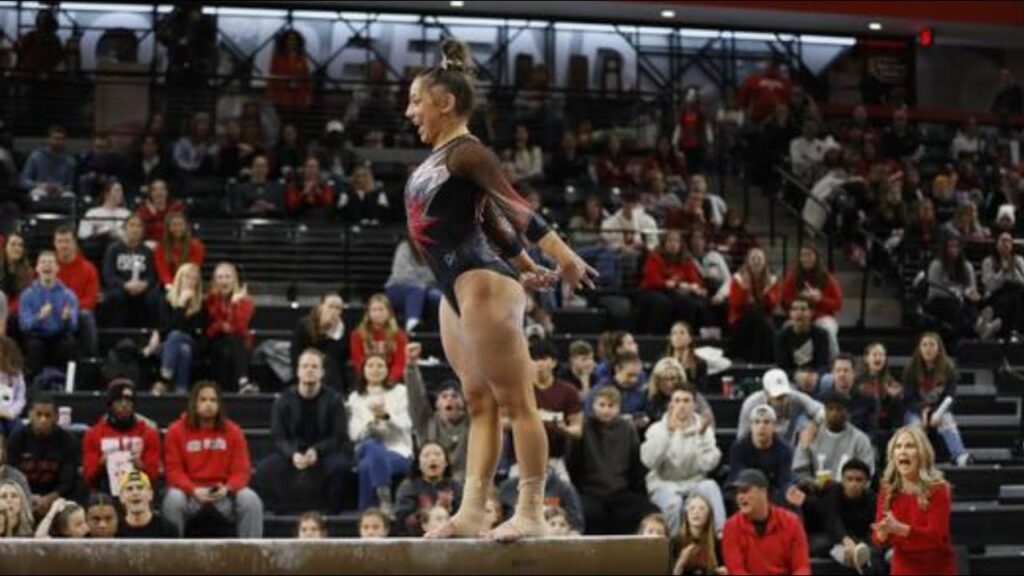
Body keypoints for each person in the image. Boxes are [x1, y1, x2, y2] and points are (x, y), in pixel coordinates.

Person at [404, 39, 596, 542]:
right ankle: (471, 510)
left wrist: (564, 256)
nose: (410, 112)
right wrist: (524, 261)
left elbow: (513, 205)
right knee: (477, 402)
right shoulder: (443, 157)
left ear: (444, 102)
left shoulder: (469, 151)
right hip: (455, 282)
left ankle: (531, 506)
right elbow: (485, 216)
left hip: (479, 280)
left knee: (516, 403)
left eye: (415, 100)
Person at [162, 380, 263, 538]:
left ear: (220, 404)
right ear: (194, 403)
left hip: (224, 496)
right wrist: (193, 489)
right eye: (203, 400)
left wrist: (227, 488)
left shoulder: (234, 431)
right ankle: (172, 556)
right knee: (174, 498)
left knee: (250, 499)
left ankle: (252, 556)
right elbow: (174, 471)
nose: (208, 404)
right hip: (191, 495)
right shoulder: (175, 431)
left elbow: (242, 471)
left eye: (213, 400)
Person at [255, 349, 351, 513]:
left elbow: (338, 436)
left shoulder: (334, 400)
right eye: (305, 366)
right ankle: (282, 512)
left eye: (314, 366)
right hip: (293, 451)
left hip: (324, 453)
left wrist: (317, 451)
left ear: (322, 372)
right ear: (298, 371)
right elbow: (278, 436)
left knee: (340, 466)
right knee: (266, 467)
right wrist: (292, 454)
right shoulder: (283, 400)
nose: (309, 370)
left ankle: (332, 513)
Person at [568, 386, 657, 535]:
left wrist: (640, 494)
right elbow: (573, 465)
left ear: (619, 408)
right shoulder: (584, 427)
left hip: (620, 491)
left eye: (611, 406)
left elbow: (635, 466)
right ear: (593, 406)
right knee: (591, 513)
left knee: (648, 511)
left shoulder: (628, 429)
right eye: (601, 405)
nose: (606, 410)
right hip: (589, 491)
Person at [872, 426, 956, 575]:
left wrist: (901, 529)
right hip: (903, 566)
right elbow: (878, 538)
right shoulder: (887, 489)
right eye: (898, 447)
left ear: (922, 454)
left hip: (936, 568)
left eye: (909, 446)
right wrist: (882, 534)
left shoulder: (938, 489)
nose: (902, 451)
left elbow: (936, 537)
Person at [641, 387, 725, 535]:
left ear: (694, 405)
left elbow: (707, 465)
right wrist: (668, 434)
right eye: (677, 401)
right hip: (663, 484)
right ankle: (672, 547)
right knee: (674, 504)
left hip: (693, 482)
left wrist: (699, 437)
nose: (682, 405)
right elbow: (649, 462)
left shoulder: (704, 430)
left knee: (711, 486)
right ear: (671, 405)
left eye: (686, 401)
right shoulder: (656, 429)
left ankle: (722, 534)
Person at [348, 353, 413, 513]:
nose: (375, 369)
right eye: (370, 365)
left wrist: (386, 416)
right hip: (364, 449)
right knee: (371, 445)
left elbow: (407, 425)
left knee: (366, 467)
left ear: (387, 370)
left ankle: (366, 516)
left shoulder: (400, 392)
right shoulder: (355, 397)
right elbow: (354, 434)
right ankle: (384, 500)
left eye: (380, 365)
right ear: (362, 370)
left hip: (398, 450)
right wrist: (372, 422)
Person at [722, 468, 811, 576]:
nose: (740, 496)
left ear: (763, 492)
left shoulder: (791, 522)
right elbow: (736, 570)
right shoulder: (731, 527)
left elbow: (802, 567)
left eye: (745, 490)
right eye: (737, 492)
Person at [901, 332, 971, 466]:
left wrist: (937, 412)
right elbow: (908, 398)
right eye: (924, 345)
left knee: (947, 421)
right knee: (916, 426)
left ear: (939, 348)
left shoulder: (948, 368)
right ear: (919, 348)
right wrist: (922, 410)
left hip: (940, 409)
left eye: (932, 345)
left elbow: (951, 396)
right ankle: (913, 460)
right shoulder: (911, 368)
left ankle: (959, 455)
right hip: (916, 410)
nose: (928, 348)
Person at [518, 339, 583, 481]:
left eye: (543, 359)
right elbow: (502, 421)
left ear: (553, 362)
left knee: (565, 494)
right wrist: (527, 420)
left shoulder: (568, 391)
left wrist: (563, 428)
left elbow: (577, 429)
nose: (539, 364)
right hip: (521, 460)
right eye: (534, 359)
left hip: (554, 459)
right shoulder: (518, 390)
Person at [82, 379, 161, 494]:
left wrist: (141, 466)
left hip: (139, 490)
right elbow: (89, 478)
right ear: (110, 404)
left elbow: (154, 477)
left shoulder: (149, 433)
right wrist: (100, 465)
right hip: (104, 492)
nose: (124, 405)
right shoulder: (93, 434)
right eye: (119, 401)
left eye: (128, 401)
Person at [7, 394, 80, 519]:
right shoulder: (17, 438)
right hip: (23, 498)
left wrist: (50, 498)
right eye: (38, 415)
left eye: (48, 415)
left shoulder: (67, 440)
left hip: (58, 500)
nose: (43, 420)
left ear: (56, 417)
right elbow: (13, 475)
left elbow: (69, 480)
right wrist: (30, 498)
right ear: (30, 415)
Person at [406, 342, 468, 481]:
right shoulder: (426, 421)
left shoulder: (471, 423)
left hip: (467, 483)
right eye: (444, 396)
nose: (450, 400)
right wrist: (411, 366)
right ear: (437, 404)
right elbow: (415, 396)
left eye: (455, 396)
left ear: (463, 403)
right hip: (431, 482)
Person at [792, 389, 875, 487]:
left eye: (839, 409)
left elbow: (867, 475)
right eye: (830, 409)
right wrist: (815, 485)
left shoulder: (860, 440)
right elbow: (799, 471)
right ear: (825, 411)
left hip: (850, 497)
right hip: (816, 494)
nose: (834, 413)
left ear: (848, 412)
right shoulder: (810, 434)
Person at [146, 263, 205, 394]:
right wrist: (181, 306)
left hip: (193, 343)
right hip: (169, 345)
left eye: (194, 279)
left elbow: (194, 331)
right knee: (183, 350)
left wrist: (182, 306)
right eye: (187, 277)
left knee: (177, 336)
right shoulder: (166, 299)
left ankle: (164, 378)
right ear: (179, 278)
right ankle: (181, 390)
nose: (190, 281)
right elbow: (166, 328)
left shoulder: (201, 303)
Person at [18, 251, 79, 376]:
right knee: (35, 347)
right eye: (43, 262)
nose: (47, 265)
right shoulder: (27, 295)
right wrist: (39, 317)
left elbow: (74, 326)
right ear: (37, 268)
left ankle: (65, 385)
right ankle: (35, 386)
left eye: (51, 262)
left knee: (69, 344)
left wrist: (66, 319)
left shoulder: (68, 295)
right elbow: (24, 325)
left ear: (57, 268)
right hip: (37, 336)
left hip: (59, 336)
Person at [637, 230, 708, 335]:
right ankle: (655, 337)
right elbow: (652, 280)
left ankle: (685, 335)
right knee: (663, 303)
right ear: (664, 243)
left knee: (688, 303)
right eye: (670, 241)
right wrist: (675, 284)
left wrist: (696, 287)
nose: (673, 244)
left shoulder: (685, 260)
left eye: (676, 241)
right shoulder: (655, 257)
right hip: (651, 290)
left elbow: (695, 280)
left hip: (673, 292)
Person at [728, 405, 796, 506]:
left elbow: (784, 481)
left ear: (774, 426)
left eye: (766, 422)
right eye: (757, 422)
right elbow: (738, 477)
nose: (761, 426)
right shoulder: (739, 447)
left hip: (775, 493)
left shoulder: (785, 449)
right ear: (751, 426)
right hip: (747, 491)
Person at [737, 368, 825, 448]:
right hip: (759, 449)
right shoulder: (751, 404)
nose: (782, 400)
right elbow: (741, 437)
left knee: (805, 424)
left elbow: (820, 410)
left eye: (784, 395)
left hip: (786, 450)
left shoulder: (794, 397)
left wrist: (814, 424)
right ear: (766, 393)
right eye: (778, 397)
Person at [780, 246, 842, 358]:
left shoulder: (827, 278)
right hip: (799, 317)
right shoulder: (792, 277)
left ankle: (836, 363)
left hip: (822, 317)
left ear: (816, 257)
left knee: (828, 329)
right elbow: (784, 302)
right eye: (803, 255)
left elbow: (837, 304)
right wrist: (800, 299)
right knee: (786, 328)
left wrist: (820, 299)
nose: (806, 258)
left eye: (809, 255)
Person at [101, 215, 160, 328]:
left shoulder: (148, 251)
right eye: (132, 225)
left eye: (139, 226)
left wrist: (144, 284)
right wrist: (125, 285)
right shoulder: (113, 249)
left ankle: (150, 334)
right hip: (120, 287)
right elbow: (108, 275)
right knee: (116, 297)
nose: (135, 229)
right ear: (124, 228)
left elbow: (152, 276)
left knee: (154, 299)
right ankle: (116, 336)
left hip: (142, 288)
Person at [205, 262, 255, 392]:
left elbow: (239, 327)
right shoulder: (210, 299)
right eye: (220, 277)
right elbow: (210, 329)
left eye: (228, 277)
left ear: (234, 279)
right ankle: (242, 382)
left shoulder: (245, 300)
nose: (224, 281)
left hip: (238, 343)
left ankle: (239, 385)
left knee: (233, 343)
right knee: (225, 348)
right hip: (215, 341)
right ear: (215, 280)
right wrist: (222, 325)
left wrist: (234, 304)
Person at [394, 441, 463, 536]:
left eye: (438, 454)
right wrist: (427, 514)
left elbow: (465, 517)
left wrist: (448, 511)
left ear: (446, 462)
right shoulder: (408, 488)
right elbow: (402, 520)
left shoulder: (456, 487)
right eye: (426, 455)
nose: (433, 458)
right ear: (418, 464)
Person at [819, 458, 875, 573]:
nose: (853, 484)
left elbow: (873, 527)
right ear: (843, 481)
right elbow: (833, 521)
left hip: (861, 539)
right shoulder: (833, 493)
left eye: (858, 480)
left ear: (866, 483)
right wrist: (845, 540)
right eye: (849, 479)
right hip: (835, 538)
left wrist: (861, 545)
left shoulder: (872, 498)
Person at [727, 247, 780, 363]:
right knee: (759, 319)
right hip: (740, 319)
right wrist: (745, 290)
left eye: (759, 258)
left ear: (764, 262)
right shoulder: (738, 279)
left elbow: (772, 306)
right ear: (748, 261)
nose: (756, 261)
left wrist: (766, 292)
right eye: (753, 258)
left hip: (763, 319)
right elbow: (735, 305)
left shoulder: (771, 280)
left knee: (766, 324)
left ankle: (764, 362)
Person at [54, 226, 99, 357]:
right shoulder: (47, 266)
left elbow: (91, 299)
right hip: (53, 313)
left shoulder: (89, 269)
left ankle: (90, 360)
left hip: (78, 313)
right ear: (55, 244)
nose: (64, 245)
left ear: (74, 243)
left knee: (85, 316)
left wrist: (70, 308)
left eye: (67, 241)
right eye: (60, 241)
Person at [290, 292, 349, 393]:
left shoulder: (343, 329)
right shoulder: (304, 325)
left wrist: (332, 333)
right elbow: (296, 354)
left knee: (330, 363)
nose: (334, 311)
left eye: (338, 308)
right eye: (330, 306)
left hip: (332, 373)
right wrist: (323, 330)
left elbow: (339, 357)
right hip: (307, 367)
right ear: (321, 307)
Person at [385, 239, 443, 333]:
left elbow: (438, 275)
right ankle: (412, 325)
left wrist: (420, 278)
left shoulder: (435, 250)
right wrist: (424, 279)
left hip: (427, 288)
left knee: (438, 297)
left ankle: (439, 331)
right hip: (398, 287)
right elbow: (401, 274)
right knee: (416, 290)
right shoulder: (405, 247)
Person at [350, 293, 409, 385]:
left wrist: (389, 380)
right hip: (366, 380)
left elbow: (400, 362)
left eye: (381, 310)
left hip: (392, 381)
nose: (377, 314)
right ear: (368, 313)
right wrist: (370, 378)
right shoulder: (357, 334)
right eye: (374, 310)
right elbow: (358, 361)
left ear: (389, 312)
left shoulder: (399, 335)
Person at [775, 297, 832, 392]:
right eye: (794, 309)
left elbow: (824, 364)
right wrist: (796, 375)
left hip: (815, 377)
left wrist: (815, 375)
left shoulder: (821, 334)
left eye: (803, 309)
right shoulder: (781, 336)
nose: (799, 313)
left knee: (828, 380)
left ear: (811, 313)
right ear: (790, 314)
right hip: (792, 379)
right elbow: (782, 366)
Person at [586, 351, 649, 430]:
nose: (634, 380)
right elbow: (590, 417)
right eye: (630, 375)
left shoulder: (640, 390)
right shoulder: (600, 390)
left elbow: (645, 413)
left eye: (637, 375)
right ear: (617, 369)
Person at [981, 232, 1024, 338]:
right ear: (997, 244)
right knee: (1012, 296)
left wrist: (1014, 271)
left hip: (1016, 294)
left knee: (1015, 293)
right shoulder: (988, 261)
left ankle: (999, 328)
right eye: (1003, 240)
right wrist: (1002, 272)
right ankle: (1014, 331)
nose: (1006, 244)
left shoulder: (1019, 260)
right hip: (996, 295)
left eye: (1008, 241)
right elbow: (990, 286)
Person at [19, 125, 75, 204]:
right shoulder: (35, 156)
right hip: (40, 189)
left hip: (60, 192)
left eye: (62, 139)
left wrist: (61, 189)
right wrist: (43, 186)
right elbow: (23, 181)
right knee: (37, 194)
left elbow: (70, 185)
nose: (58, 142)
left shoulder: (69, 161)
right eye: (56, 139)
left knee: (70, 196)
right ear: (48, 140)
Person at [77, 180, 131, 260]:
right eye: (117, 191)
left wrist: (117, 232)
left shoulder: (127, 214)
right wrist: (98, 233)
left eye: (121, 191)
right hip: (98, 247)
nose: (121, 194)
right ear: (107, 194)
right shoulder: (93, 213)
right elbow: (82, 234)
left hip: (121, 248)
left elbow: (132, 234)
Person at [672, 494, 724, 576]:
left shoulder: (717, 543)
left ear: (709, 515)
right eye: (692, 508)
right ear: (686, 514)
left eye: (702, 508)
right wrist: (681, 562)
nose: (696, 512)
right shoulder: (675, 542)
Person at [116, 470, 178, 538]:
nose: (135, 492)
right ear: (121, 497)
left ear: (150, 494)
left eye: (140, 488)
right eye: (129, 489)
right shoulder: (115, 531)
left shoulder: (168, 529)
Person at [154, 212, 206, 288]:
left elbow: (192, 269)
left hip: (189, 284)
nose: (177, 228)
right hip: (168, 285)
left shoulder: (197, 246)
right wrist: (169, 285)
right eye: (174, 225)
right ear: (168, 227)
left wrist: (182, 287)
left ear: (185, 226)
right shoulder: (160, 247)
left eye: (180, 224)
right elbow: (162, 269)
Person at [664, 322, 709, 392]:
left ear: (690, 338)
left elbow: (701, 389)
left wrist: (684, 369)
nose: (677, 336)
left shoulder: (700, 363)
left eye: (682, 333)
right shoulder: (663, 361)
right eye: (674, 333)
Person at [0, 338, 26, 438]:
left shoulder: (17, 375)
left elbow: (20, 399)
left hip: (9, 413)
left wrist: (11, 412)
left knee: (18, 428)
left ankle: (15, 452)